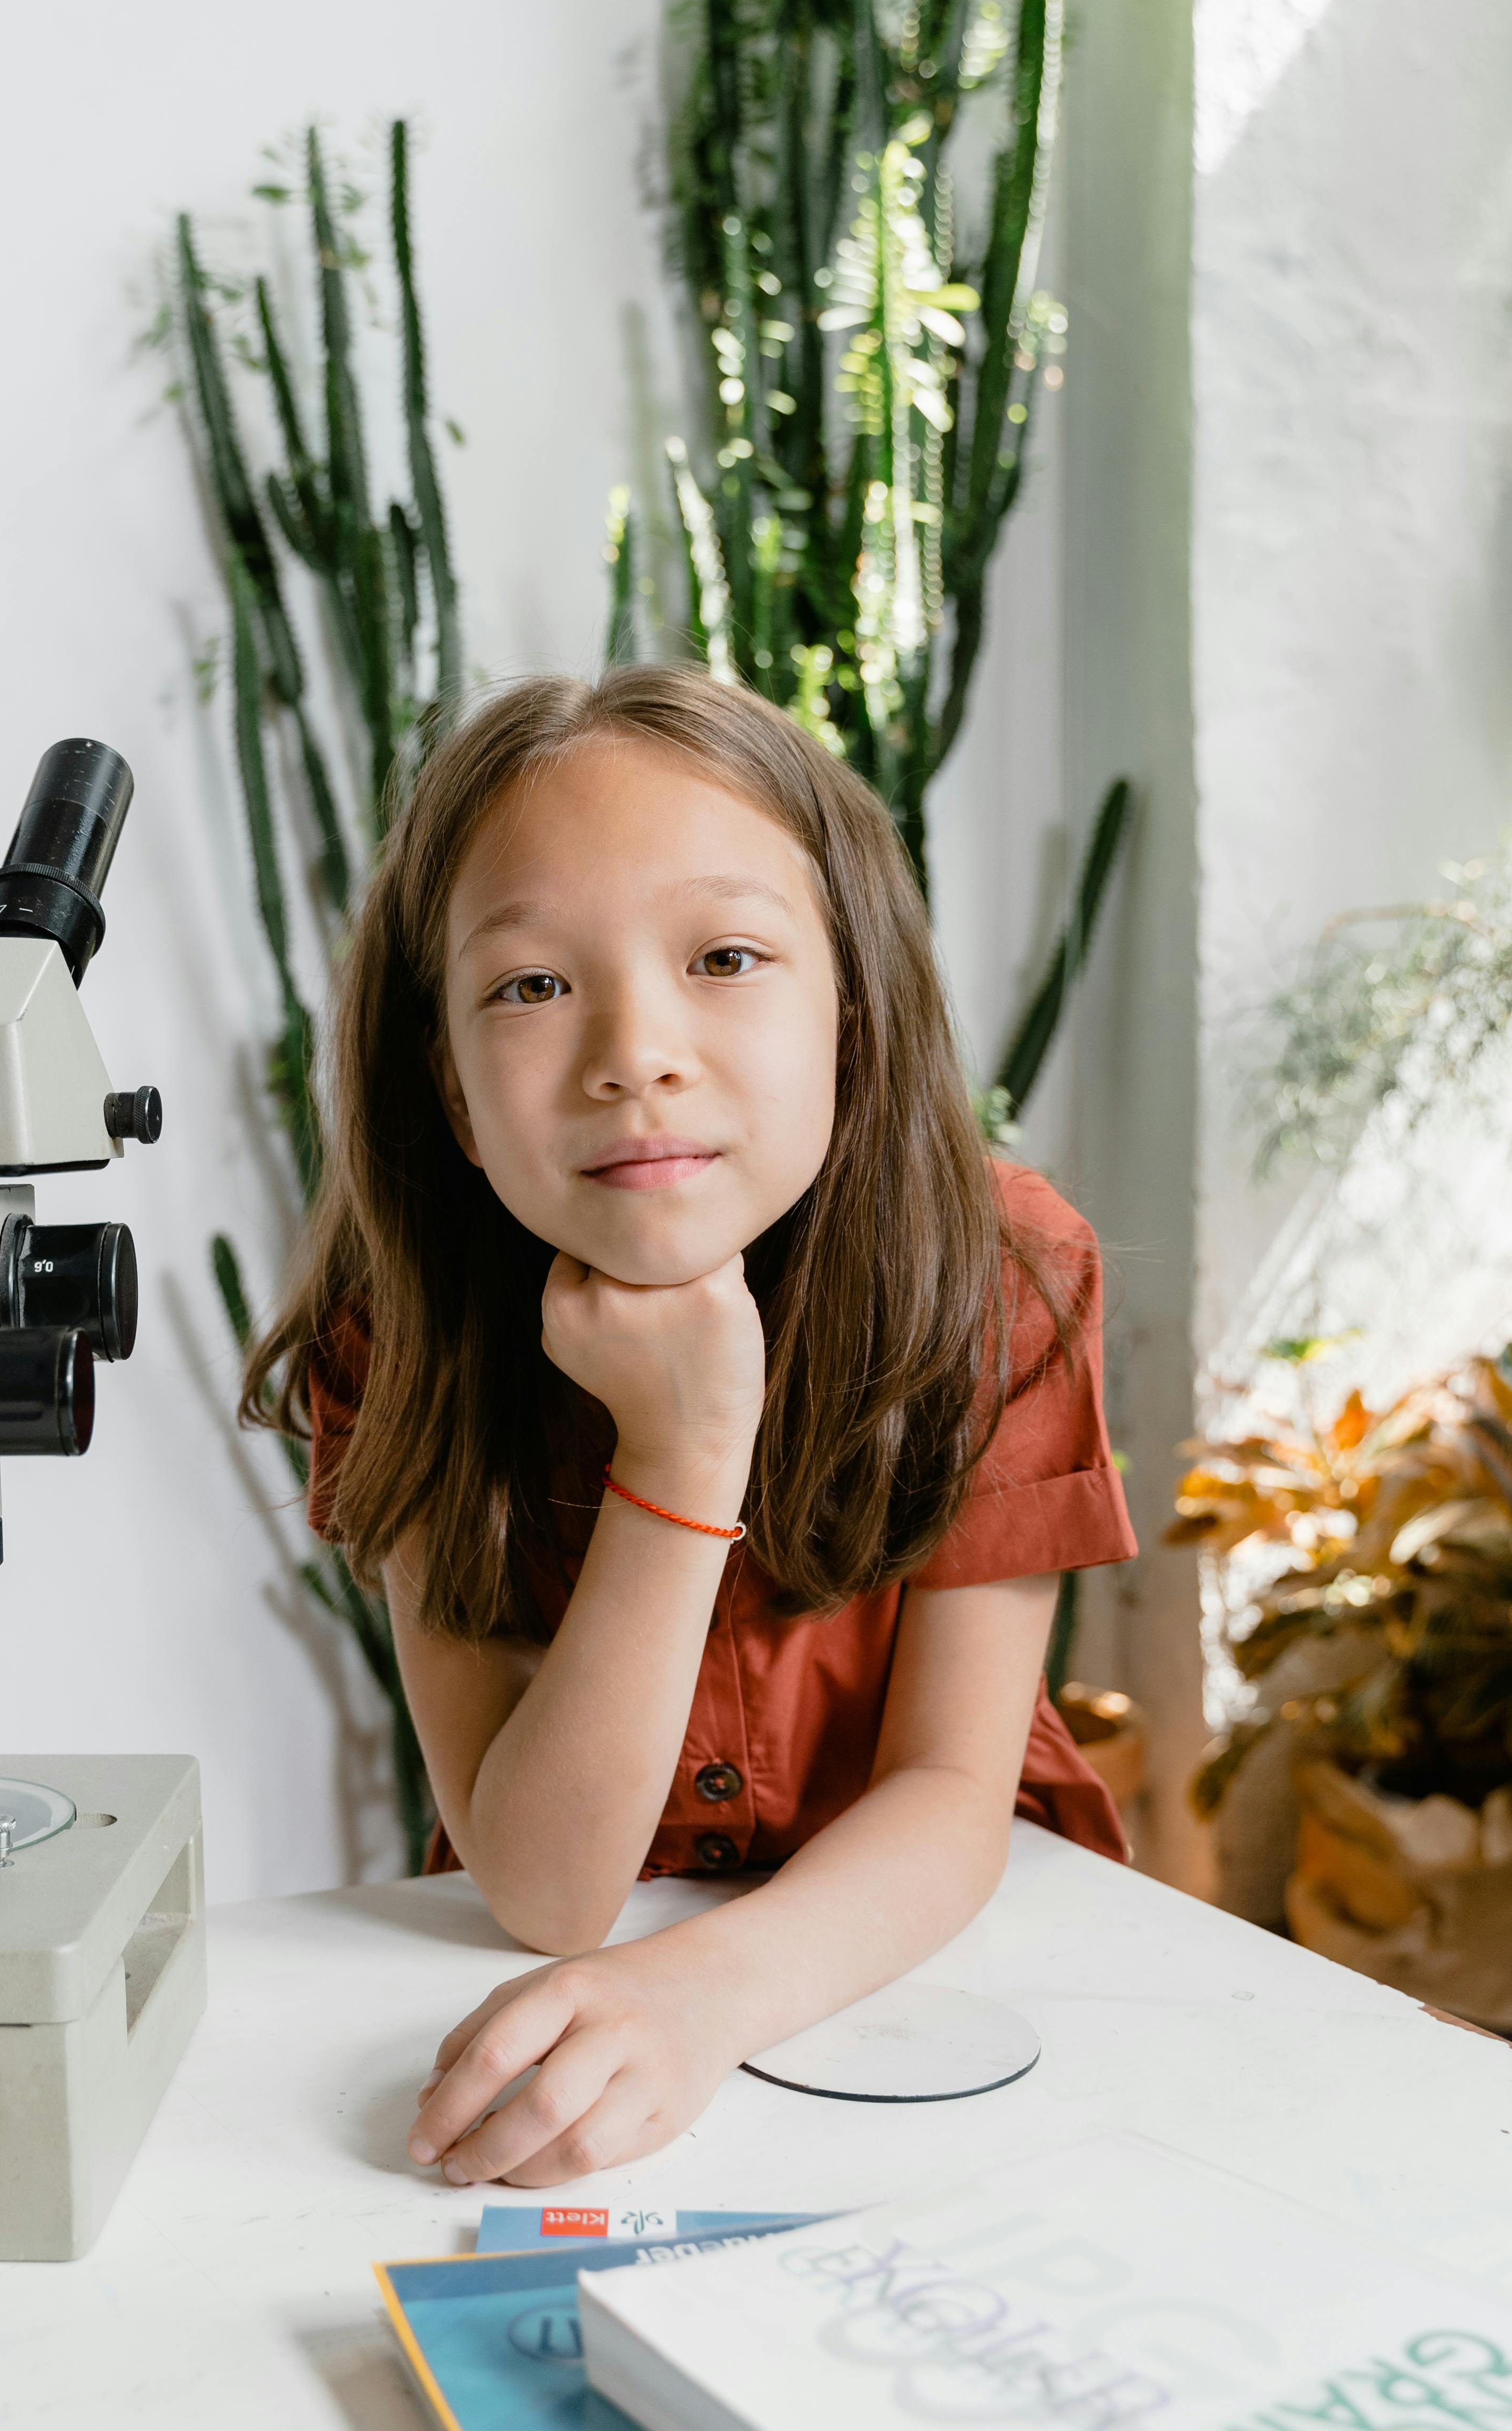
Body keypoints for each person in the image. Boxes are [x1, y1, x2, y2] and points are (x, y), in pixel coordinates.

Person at [248, 667, 1136, 2190]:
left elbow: (948, 1792)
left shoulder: (1002, 1277)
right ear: (454, 1094)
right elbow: (543, 1885)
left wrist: (700, 2001)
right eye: (530, 986)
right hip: (574, 1998)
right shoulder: (390, 1323)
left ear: (850, 1010)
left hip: (949, 1978)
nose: (633, 1053)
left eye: (726, 955)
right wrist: (677, 1456)